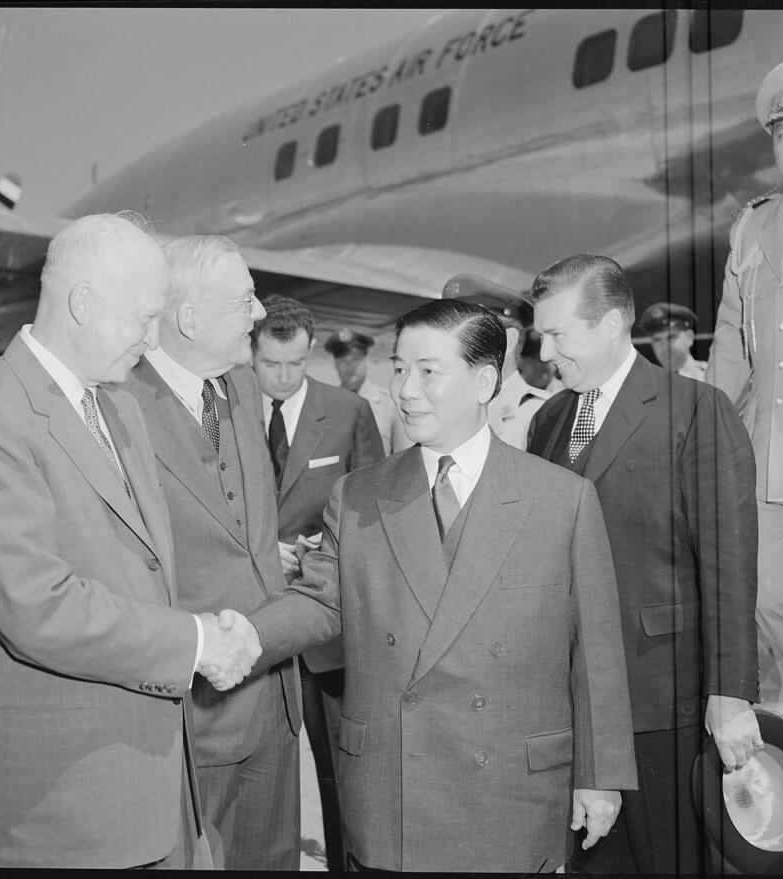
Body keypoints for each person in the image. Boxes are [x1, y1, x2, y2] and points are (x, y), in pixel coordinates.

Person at [253, 299, 635, 871]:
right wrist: (233, 636)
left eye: (428, 371)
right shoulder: (359, 494)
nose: (406, 389)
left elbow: (597, 651)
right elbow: (318, 604)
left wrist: (601, 777)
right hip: (394, 789)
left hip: (510, 788)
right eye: (400, 368)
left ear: (485, 381)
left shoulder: (561, 499)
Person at [0, 214, 259, 869]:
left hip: (162, 788)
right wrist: (195, 642)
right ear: (82, 302)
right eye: (142, 317)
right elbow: (38, 607)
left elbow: (142, 569)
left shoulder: (121, 406)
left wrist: (212, 623)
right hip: (62, 809)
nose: (152, 336)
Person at [527, 254, 762, 874]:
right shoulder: (549, 421)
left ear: (609, 326)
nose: (545, 352)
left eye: (557, 335)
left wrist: (731, 693)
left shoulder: (694, 410)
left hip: (666, 703)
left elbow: (728, 564)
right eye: (540, 336)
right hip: (574, 703)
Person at [125, 236, 328, 871]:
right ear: (189, 320)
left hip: (272, 698)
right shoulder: (121, 403)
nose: (261, 313)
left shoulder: (238, 389)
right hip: (188, 712)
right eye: (244, 300)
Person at [705, 55, 783, 709]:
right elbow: (731, 346)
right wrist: (712, 440)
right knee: (771, 597)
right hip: (763, 456)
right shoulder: (753, 226)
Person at [250, 293, 385, 872]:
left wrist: (322, 551)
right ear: (250, 354)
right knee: (256, 775)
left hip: (326, 626)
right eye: (269, 364)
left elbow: (376, 512)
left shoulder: (349, 411)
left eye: (295, 364)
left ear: (311, 354)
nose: (282, 378)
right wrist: (261, 552)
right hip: (252, 621)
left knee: (339, 773)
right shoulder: (221, 410)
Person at [467, 294, 552, 449]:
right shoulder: (450, 402)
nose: (463, 347)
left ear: (509, 340)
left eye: (476, 336)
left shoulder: (541, 411)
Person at [324, 328, 398, 454]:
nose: (350, 366)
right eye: (343, 360)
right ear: (335, 364)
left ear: (367, 360)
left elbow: (403, 457)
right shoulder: (325, 406)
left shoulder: (390, 404)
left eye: (356, 359)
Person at [640, 302, 707, 381]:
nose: (665, 346)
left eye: (671, 337)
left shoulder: (715, 375)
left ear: (689, 337)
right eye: (657, 340)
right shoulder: (645, 385)